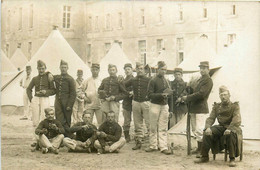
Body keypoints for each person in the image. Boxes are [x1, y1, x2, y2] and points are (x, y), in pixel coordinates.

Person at [195, 86, 242, 167]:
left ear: (229, 95)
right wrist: (208, 127)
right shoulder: (217, 106)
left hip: (233, 126)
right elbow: (211, 118)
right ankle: (204, 156)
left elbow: (236, 119)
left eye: (225, 95)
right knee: (206, 132)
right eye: (221, 95)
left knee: (230, 134)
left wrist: (230, 128)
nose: (223, 97)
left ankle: (232, 159)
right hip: (221, 127)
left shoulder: (235, 106)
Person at [181, 61, 213, 155]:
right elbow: (193, 91)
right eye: (201, 68)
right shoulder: (199, 79)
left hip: (201, 108)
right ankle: (199, 148)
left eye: (204, 68)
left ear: (208, 69)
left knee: (200, 129)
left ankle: (203, 150)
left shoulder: (208, 80)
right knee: (195, 129)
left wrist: (188, 98)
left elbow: (202, 94)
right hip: (193, 107)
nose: (202, 70)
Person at [146, 61, 173, 155]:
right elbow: (149, 95)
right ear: (158, 69)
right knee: (153, 126)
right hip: (155, 105)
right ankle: (153, 145)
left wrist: (171, 108)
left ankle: (163, 147)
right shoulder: (153, 80)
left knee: (163, 126)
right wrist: (161, 95)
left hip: (164, 105)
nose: (164, 71)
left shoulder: (167, 81)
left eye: (165, 70)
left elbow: (170, 95)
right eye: (162, 69)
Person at [27, 60, 56, 147]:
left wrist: (46, 92)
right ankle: (35, 139)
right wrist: (31, 99)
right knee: (35, 120)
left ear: (45, 68)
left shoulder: (49, 77)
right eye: (39, 69)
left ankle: (44, 138)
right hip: (36, 99)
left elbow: (54, 90)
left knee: (45, 118)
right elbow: (28, 89)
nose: (41, 70)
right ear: (37, 69)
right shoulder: (35, 78)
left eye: (43, 68)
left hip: (45, 99)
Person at [124, 62, 150, 150]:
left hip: (146, 103)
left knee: (149, 122)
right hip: (135, 102)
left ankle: (152, 142)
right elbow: (123, 85)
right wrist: (128, 93)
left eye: (141, 68)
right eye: (138, 69)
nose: (140, 70)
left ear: (144, 70)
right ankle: (138, 141)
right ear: (136, 70)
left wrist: (149, 97)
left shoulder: (148, 79)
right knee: (137, 123)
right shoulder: (133, 80)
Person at [54, 60, 76, 137]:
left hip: (67, 103)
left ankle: (67, 136)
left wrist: (70, 104)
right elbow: (49, 75)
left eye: (65, 67)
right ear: (59, 68)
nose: (63, 69)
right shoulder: (57, 77)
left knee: (67, 120)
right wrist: (48, 74)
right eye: (62, 67)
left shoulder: (70, 79)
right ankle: (61, 135)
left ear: (67, 68)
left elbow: (73, 93)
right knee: (59, 119)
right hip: (58, 102)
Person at [122, 63, 134, 143]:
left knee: (137, 120)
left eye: (129, 69)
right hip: (126, 102)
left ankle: (138, 136)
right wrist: (127, 93)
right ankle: (127, 136)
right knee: (127, 120)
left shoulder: (136, 79)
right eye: (126, 69)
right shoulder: (123, 80)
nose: (127, 71)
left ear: (132, 70)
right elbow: (121, 90)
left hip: (135, 101)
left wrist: (133, 92)